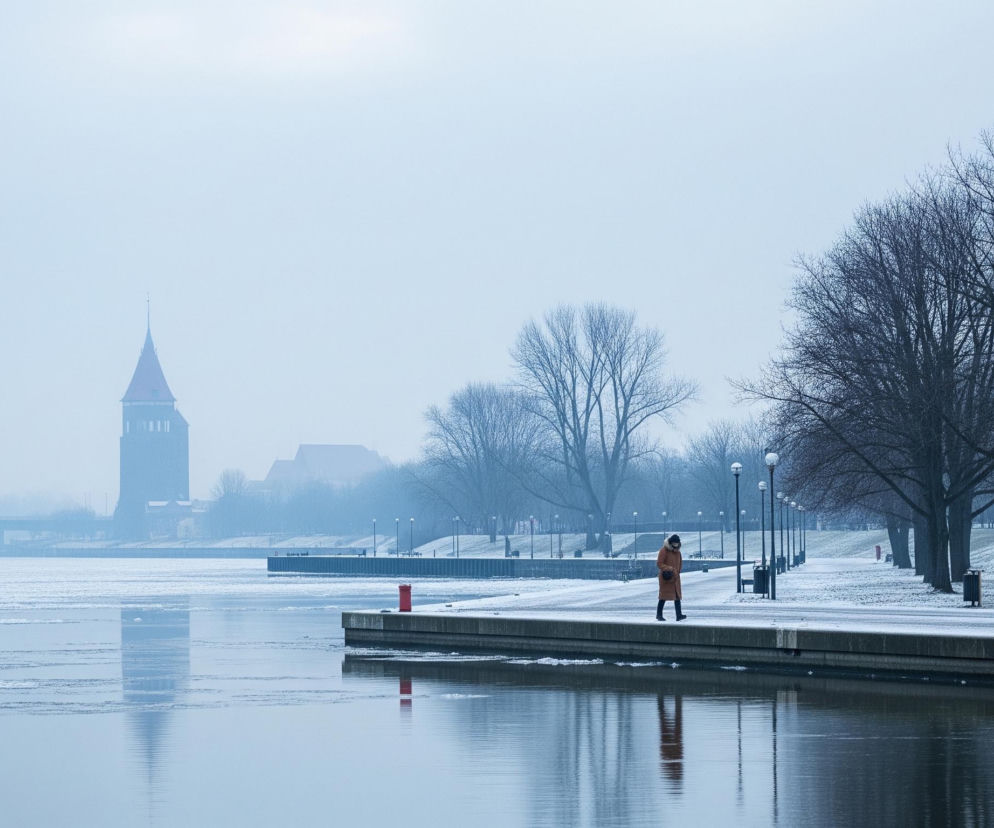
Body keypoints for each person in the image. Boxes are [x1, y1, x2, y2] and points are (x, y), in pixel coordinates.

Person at [656, 533, 687, 621]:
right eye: (674, 543)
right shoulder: (664, 550)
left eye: (677, 543)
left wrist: (677, 571)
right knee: (663, 596)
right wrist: (670, 569)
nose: (675, 544)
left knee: (677, 596)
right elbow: (659, 563)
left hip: (675, 577)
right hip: (666, 577)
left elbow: (680, 563)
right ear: (671, 542)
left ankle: (679, 615)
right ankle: (659, 615)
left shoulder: (678, 552)